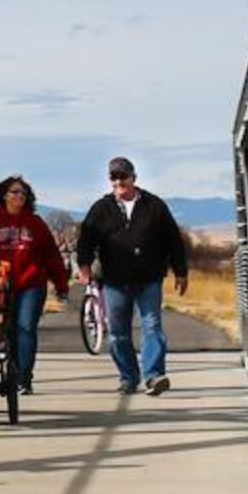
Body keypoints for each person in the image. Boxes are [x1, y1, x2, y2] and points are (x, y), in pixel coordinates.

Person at [74, 157, 189, 396]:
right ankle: (128, 376)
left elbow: (173, 240)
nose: (119, 182)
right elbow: (86, 239)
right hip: (115, 280)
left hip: (149, 278)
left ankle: (153, 376)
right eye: (114, 178)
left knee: (152, 326)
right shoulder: (101, 208)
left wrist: (181, 271)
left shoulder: (153, 205)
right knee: (118, 333)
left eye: (123, 177)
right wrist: (84, 265)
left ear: (133, 178)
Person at [0, 175, 70, 394]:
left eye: (23, 193)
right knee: (7, 331)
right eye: (15, 192)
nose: (19, 196)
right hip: (1, 284)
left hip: (31, 283)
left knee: (25, 328)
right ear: (4, 195)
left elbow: (52, 255)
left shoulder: (35, 223)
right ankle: (9, 375)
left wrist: (61, 284)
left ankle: (24, 378)